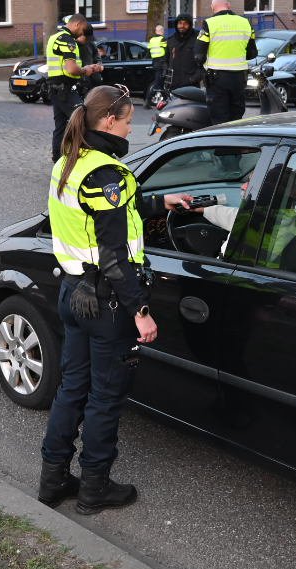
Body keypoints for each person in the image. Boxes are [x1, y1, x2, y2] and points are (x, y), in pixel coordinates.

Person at [39, 84, 193, 513]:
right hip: (107, 301)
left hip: (74, 292)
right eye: (128, 121)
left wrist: (162, 202)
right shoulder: (108, 173)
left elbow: (108, 213)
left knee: (72, 388)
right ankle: (94, 489)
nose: (131, 128)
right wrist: (140, 311)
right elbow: (113, 253)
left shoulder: (71, 161)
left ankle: (52, 481)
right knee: (104, 398)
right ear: (109, 121)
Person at [45, 13, 102, 160]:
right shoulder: (67, 40)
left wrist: (86, 67)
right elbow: (71, 69)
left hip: (56, 88)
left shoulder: (54, 37)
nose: (82, 33)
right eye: (82, 29)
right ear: (77, 24)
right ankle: (84, 159)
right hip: (66, 89)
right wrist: (85, 70)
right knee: (83, 121)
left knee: (61, 127)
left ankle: (57, 160)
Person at [194, 0, 256, 125]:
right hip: (239, 78)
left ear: (212, 7)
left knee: (219, 117)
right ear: (228, 5)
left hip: (217, 79)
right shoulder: (245, 23)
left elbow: (199, 54)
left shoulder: (209, 23)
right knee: (236, 117)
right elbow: (252, 53)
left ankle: (220, 144)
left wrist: (201, 68)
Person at [162, 13, 200, 94]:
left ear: (190, 25)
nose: (182, 26)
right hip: (173, 85)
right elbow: (166, 59)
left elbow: (204, 61)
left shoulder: (198, 38)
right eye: (180, 23)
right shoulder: (171, 40)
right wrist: (165, 72)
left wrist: (194, 78)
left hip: (191, 86)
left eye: (185, 23)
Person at [147, 23, 167, 97]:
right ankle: (148, 99)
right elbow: (166, 50)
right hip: (162, 62)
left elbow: (148, 52)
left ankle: (163, 98)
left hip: (154, 62)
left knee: (158, 81)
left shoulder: (151, 40)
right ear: (162, 31)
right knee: (159, 82)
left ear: (156, 31)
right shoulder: (162, 39)